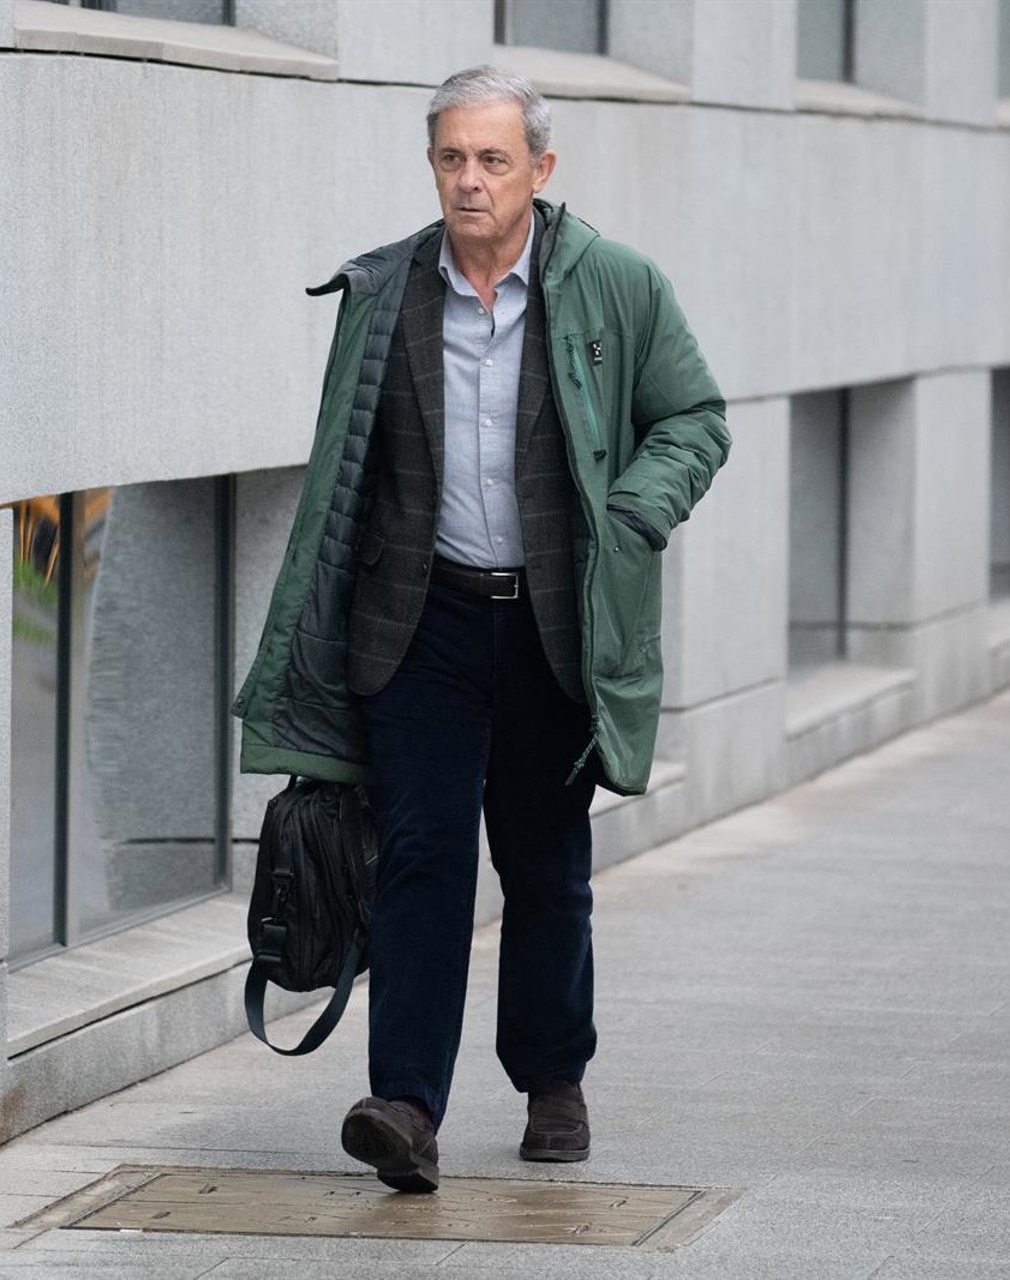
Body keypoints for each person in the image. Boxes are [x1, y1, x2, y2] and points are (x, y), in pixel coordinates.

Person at [232, 66, 729, 1192]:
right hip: (420, 625)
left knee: (546, 864)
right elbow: (343, 476)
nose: (470, 179)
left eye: (493, 159)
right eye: (452, 157)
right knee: (422, 856)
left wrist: (632, 516)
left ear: (539, 170)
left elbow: (695, 418)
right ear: (431, 164)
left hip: (555, 625)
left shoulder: (614, 284)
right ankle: (405, 1103)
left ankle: (553, 1078)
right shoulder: (384, 292)